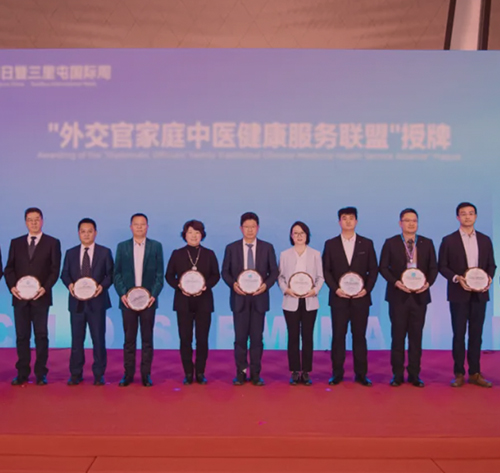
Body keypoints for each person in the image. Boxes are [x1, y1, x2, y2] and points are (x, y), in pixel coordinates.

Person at [438, 202, 496, 388]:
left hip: (480, 295)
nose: (467, 217)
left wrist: (488, 279)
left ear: (476, 216)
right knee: (459, 334)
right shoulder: (449, 240)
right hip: (458, 293)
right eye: (463, 214)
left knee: (476, 334)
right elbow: (442, 266)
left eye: (471, 213)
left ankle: (475, 372)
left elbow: (491, 265)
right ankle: (459, 373)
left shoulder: (485, 240)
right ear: (458, 217)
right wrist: (457, 278)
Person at [379, 209, 438, 387]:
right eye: (407, 220)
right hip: (398, 296)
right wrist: (396, 282)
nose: (411, 224)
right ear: (400, 223)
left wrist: (428, 283)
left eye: (414, 221)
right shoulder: (391, 243)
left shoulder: (427, 243)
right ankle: (397, 374)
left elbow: (433, 268)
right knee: (397, 337)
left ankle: (414, 374)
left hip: (420, 297)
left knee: (416, 337)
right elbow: (383, 267)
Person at [4, 207, 61, 386]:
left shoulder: (52, 242)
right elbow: (9, 268)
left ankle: (41, 373)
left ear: (42, 221)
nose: (34, 223)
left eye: (37, 219)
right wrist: (12, 287)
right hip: (19, 298)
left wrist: (45, 288)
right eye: (30, 220)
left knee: (41, 336)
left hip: (41, 297)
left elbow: (54, 270)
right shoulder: (16, 243)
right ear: (25, 222)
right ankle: (22, 373)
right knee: (22, 336)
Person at [322, 207, 378, 387]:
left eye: (351, 218)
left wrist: (366, 290)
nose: (348, 221)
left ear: (356, 221)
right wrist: (335, 289)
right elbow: (326, 270)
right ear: (339, 222)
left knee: (359, 336)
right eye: (344, 218)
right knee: (338, 336)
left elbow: (373, 270)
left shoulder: (366, 244)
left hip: (361, 298)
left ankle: (361, 374)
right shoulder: (331, 244)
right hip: (339, 298)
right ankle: (337, 373)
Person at [222, 212, 278, 386]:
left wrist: (265, 286)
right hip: (239, 299)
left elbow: (274, 272)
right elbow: (225, 272)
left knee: (256, 339)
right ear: (241, 228)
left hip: (259, 299)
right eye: (246, 227)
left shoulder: (267, 247)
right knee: (240, 339)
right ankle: (240, 373)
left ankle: (255, 374)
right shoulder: (231, 248)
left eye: (253, 227)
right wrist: (233, 285)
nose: (250, 230)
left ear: (258, 228)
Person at [165, 220, 220, 385]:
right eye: (190, 232)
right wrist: (179, 286)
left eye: (197, 232)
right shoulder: (177, 254)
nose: (194, 236)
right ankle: (188, 372)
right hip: (183, 301)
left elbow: (216, 275)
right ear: (185, 235)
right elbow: (169, 276)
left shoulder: (209, 254)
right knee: (185, 338)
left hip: (204, 301)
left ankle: (200, 372)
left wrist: (206, 286)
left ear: (202, 235)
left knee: (202, 339)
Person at [61, 218, 114, 386]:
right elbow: (64, 274)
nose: (86, 234)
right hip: (76, 303)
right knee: (76, 340)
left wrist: (101, 287)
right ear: (78, 233)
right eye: (83, 231)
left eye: (90, 231)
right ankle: (76, 374)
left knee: (98, 340)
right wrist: (70, 285)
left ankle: (99, 374)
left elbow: (110, 275)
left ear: (95, 233)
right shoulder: (70, 253)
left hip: (97, 302)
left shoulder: (104, 252)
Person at [114, 213, 164, 387]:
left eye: (143, 224)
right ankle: (128, 374)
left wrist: (153, 295)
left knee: (147, 339)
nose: (139, 227)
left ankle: (145, 374)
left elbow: (159, 275)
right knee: (129, 339)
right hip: (128, 302)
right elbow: (116, 274)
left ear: (147, 227)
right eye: (136, 224)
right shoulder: (122, 247)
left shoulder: (156, 246)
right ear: (131, 227)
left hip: (148, 302)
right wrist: (123, 294)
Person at [278, 221, 324, 386]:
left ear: (307, 235)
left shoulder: (315, 254)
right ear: (291, 236)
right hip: (291, 300)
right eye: (295, 233)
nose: (299, 236)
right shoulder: (284, 254)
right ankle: (294, 370)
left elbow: (320, 277)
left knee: (307, 336)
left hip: (310, 300)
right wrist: (286, 289)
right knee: (292, 336)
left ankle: (306, 371)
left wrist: (315, 290)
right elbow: (280, 277)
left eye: (302, 233)